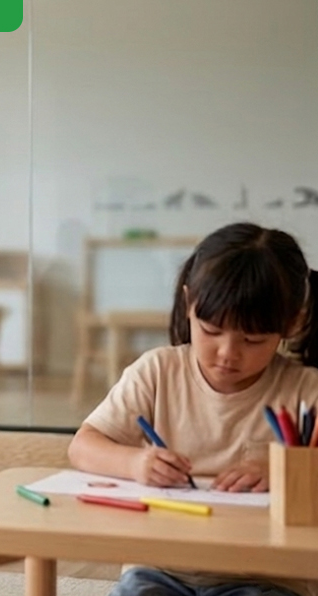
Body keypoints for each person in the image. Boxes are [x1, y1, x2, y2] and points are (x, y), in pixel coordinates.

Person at [68, 222, 318, 596]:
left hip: (265, 576)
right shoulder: (156, 371)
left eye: (252, 339)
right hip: (161, 567)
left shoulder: (307, 390)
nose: (227, 353)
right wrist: (135, 463)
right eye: (211, 330)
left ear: (292, 323)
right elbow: (83, 446)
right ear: (189, 304)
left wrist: (286, 471)